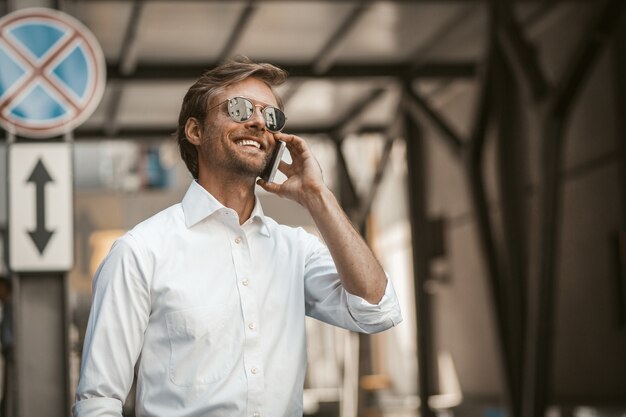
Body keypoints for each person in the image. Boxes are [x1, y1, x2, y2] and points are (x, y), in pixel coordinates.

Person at [74, 56, 402, 417]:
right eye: (239, 108)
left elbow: (378, 311)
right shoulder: (140, 252)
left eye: (270, 116)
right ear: (196, 131)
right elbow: (98, 402)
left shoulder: (295, 249)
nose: (259, 122)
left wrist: (318, 196)